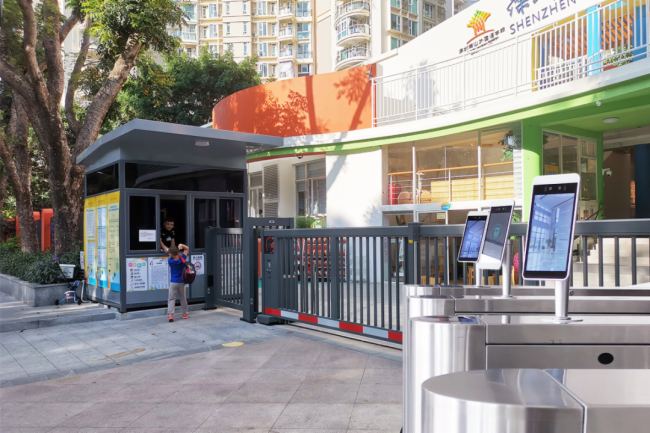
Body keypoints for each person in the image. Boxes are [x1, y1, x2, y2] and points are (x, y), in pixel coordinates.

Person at [167, 243, 190, 322]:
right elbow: (187, 248)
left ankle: (170, 315)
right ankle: (185, 314)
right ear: (177, 252)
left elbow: (170, 254)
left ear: (171, 254)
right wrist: (181, 245)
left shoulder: (170, 261)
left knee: (171, 298)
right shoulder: (182, 258)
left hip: (173, 282)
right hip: (181, 282)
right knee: (183, 298)